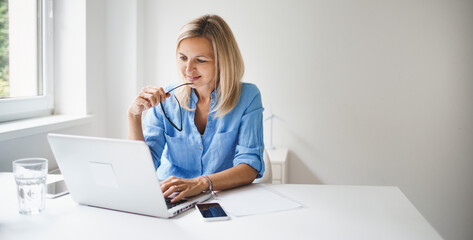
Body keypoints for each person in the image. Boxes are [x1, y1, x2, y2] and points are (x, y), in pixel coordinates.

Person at [128, 14, 264, 203]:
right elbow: (141, 169)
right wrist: (133, 116)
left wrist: (201, 183)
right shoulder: (165, 99)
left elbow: (249, 166)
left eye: (200, 60)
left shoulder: (248, 96)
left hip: (223, 198)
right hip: (170, 197)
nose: (188, 69)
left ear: (223, 61)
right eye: (183, 58)